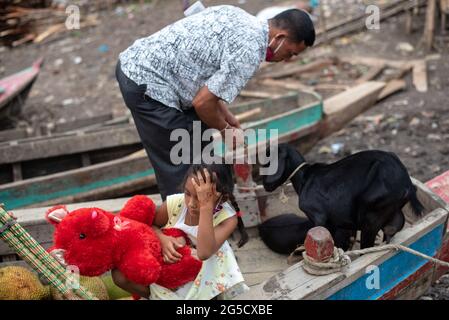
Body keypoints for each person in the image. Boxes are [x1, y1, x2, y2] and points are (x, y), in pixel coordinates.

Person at [115, 5, 316, 201]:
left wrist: (227, 117)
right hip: (145, 79)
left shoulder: (240, 16)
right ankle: (185, 228)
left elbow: (208, 84)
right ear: (279, 38)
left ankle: (214, 214)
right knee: (182, 164)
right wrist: (225, 129)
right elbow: (202, 104)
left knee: (203, 155)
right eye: (290, 53)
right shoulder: (249, 52)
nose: (287, 60)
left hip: (159, 72)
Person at [112, 164, 248, 300]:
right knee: (119, 276)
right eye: (188, 194)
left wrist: (206, 206)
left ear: (221, 198)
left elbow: (204, 252)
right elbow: (148, 225)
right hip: (167, 277)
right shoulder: (175, 203)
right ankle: (157, 296)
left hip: (203, 282)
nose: (191, 204)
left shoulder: (227, 218)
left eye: (200, 198)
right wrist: (162, 239)